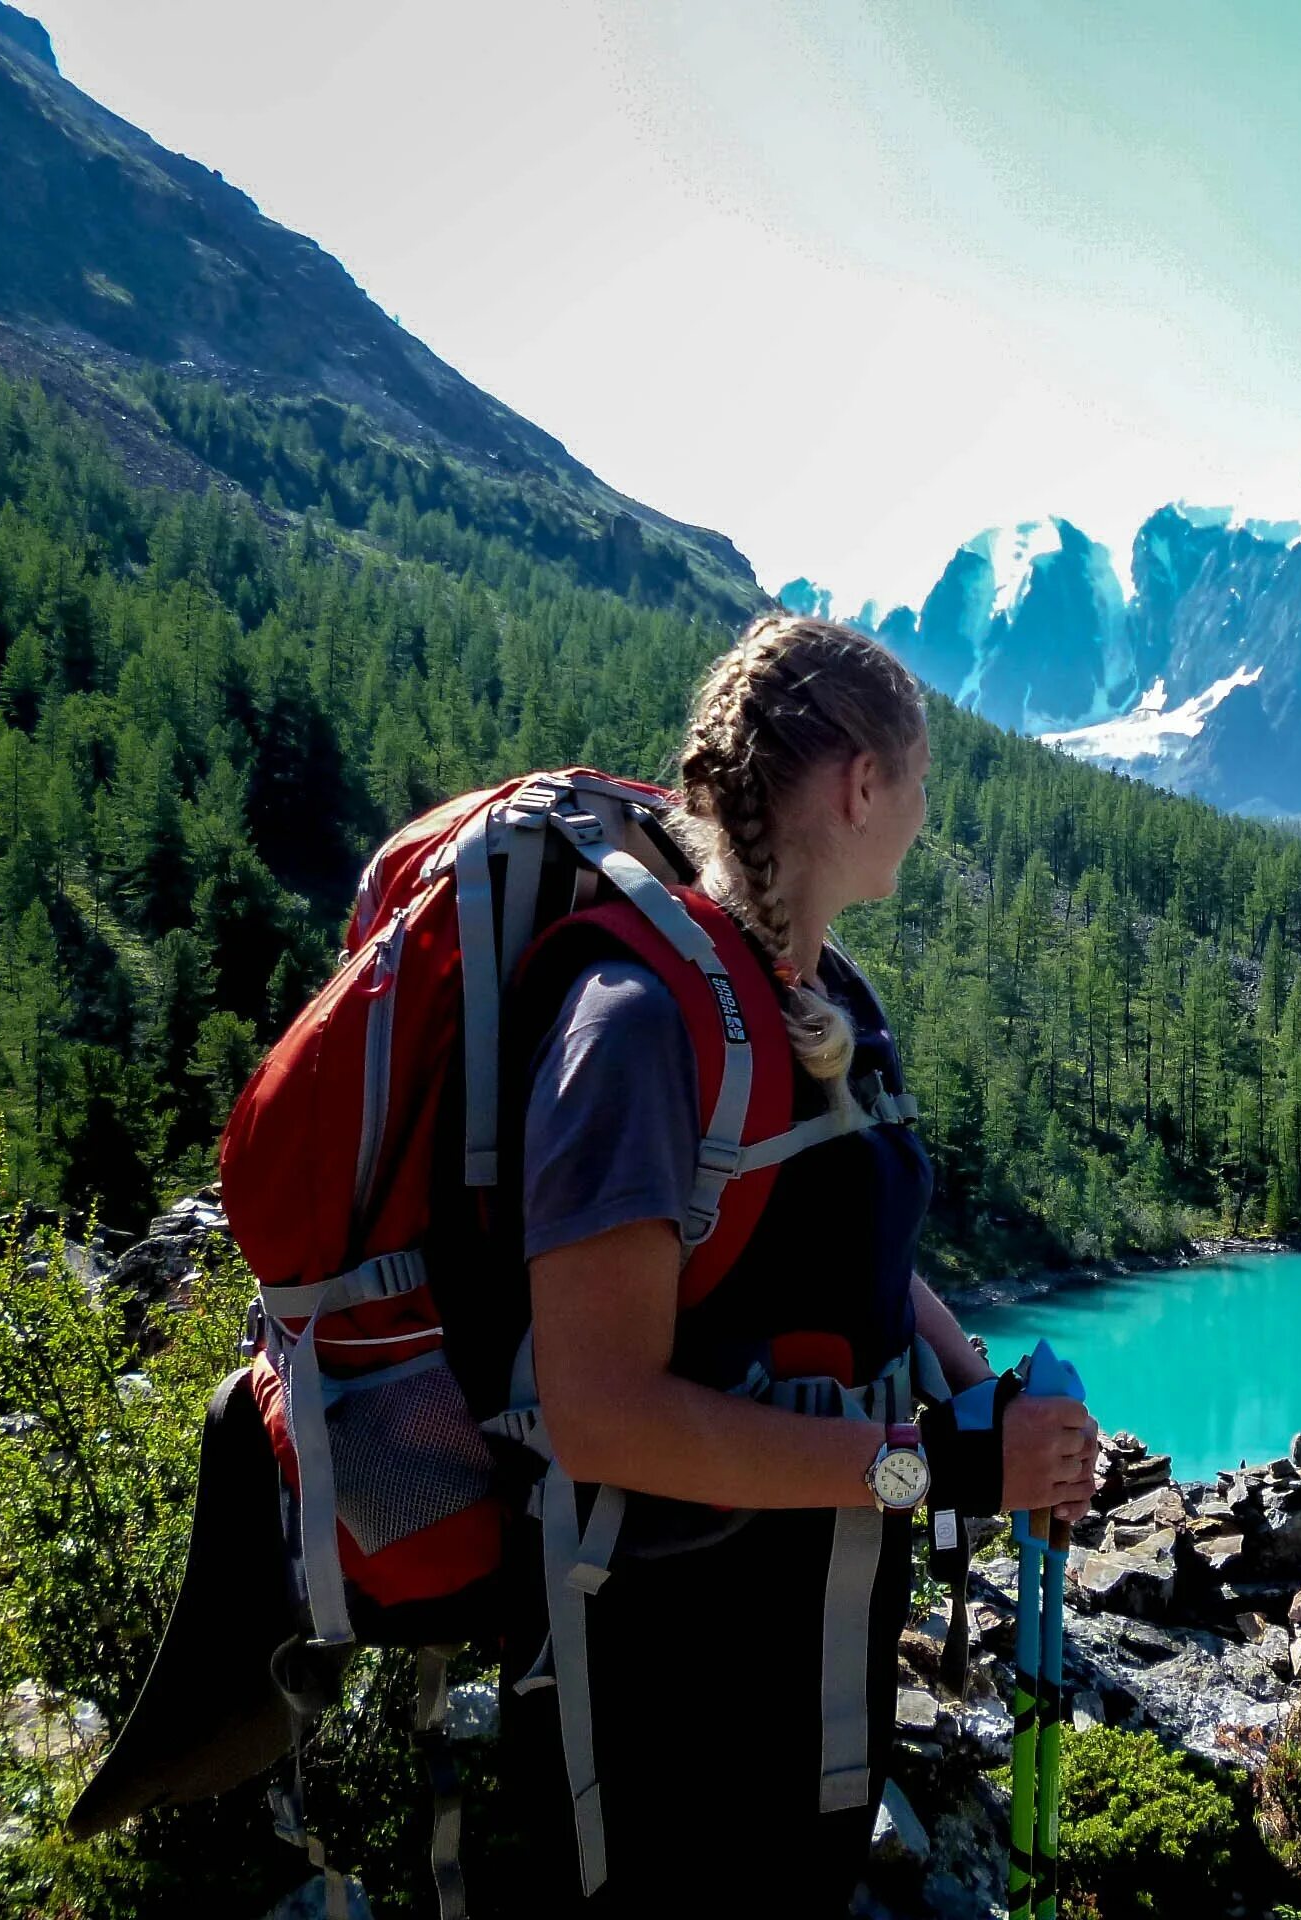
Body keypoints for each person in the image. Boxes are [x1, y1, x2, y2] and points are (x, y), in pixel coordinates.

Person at [497, 611, 1099, 1913]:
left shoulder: (830, 997)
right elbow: (601, 1415)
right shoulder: (637, 1027)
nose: (927, 815)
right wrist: (937, 1468)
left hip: (818, 1668)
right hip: (671, 1697)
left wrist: (976, 1388)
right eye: (921, 782)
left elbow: (846, 1245)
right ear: (861, 783)